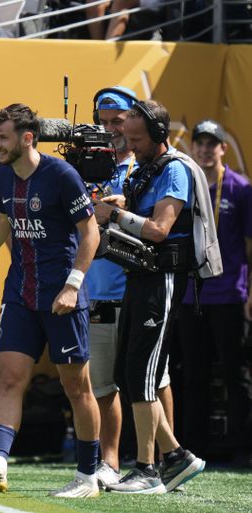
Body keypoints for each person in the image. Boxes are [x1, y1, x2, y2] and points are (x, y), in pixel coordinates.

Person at [0, 103, 102, 498]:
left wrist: (73, 285)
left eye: (2, 137)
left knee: (77, 386)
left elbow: (90, 233)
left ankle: (88, 477)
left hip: (63, 296)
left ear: (27, 137)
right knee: (10, 379)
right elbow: (3, 219)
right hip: (20, 293)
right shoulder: (2, 174)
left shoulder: (61, 175)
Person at [94, 99, 205, 493]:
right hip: (140, 277)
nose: (131, 145)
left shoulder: (174, 169)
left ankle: (147, 469)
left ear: (158, 135)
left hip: (162, 278)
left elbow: (159, 229)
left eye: (137, 138)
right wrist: (122, 204)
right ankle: (176, 457)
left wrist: (117, 216)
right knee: (130, 373)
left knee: (143, 376)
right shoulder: (145, 167)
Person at [85, 86, 176, 485]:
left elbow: (158, 228)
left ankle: (162, 459)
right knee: (104, 380)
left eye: (118, 123)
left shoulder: (149, 167)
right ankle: (112, 461)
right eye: (102, 123)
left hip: (141, 285)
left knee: (154, 379)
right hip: (99, 286)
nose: (110, 131)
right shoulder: (85, 167)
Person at [178, 119, 252, 465]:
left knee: (235, 373)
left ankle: (241, 446)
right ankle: (194, 446)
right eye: (200, 144)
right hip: (190, 295)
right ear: (192, 148)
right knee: (193, 375)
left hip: (228, 294)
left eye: (213, 144)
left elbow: (250, 246)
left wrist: (250, 292)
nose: (206, 150)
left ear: (224, 148)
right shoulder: (185, 185)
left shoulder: (239, 188)